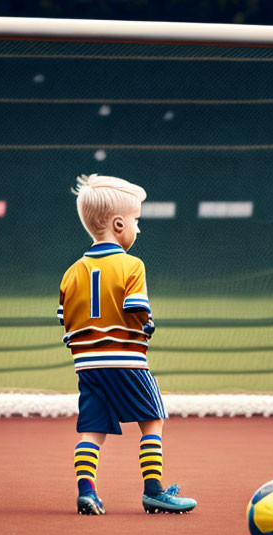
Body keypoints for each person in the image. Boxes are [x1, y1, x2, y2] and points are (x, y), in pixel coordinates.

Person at [57, 174, 197, 516]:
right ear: (118, 224)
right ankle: (154, 490)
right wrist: (147, 328)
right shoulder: (133, 265)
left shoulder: (71, 272)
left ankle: (86, 490)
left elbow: (65, 318)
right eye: (136, 221)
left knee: (92, 430)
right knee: (152, 421)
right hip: (127, 361)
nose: (138, 228)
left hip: (88, 367)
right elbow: (137, 311)